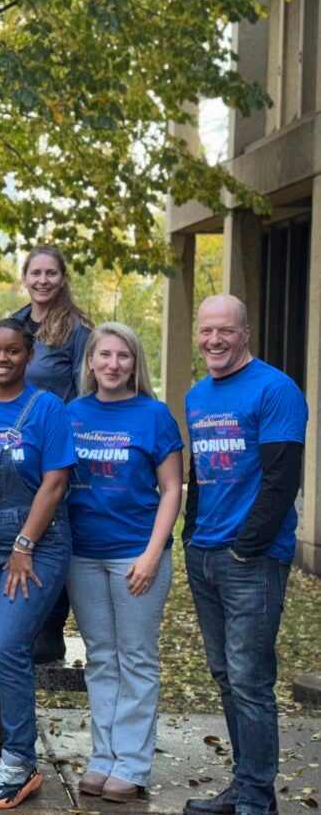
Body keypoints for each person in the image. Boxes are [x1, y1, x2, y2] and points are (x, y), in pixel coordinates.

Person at [182, 295, 308, 815]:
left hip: (251, 561)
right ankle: (243, 786)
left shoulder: (276, 389)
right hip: (205, 554)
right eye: (206, 331)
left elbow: (281, 481)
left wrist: (244, 549)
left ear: (246, 333)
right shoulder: (196, 395)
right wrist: (191, 538)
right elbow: (199, 474)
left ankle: (257, 799)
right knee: (225, 676)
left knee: (251, 681)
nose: (214, 340)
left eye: (225, 332)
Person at [65, 323, 183, 802]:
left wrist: (153, 554)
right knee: (101, 658)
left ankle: (132, 765)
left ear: (135, 363)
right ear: (90, 362)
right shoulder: (71, 413)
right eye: (104, 355)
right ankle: (102, 757)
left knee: (135, 658)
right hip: (83, 556)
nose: (113, 364)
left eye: (124, 356)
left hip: (137, 554)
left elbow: (172, 488)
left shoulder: (154, 415)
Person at [0, 318, 76, 809]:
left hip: (35, 549)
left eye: (12, 351)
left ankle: (19, 758)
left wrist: (24, 544)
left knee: (6, 644)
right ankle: (16, 755)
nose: (1, 359)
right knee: (6, 651)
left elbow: (55, 483)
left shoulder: (47, 408)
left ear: (29, 355)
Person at [13, 245, 93, 664]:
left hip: (55, 450)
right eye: (35, 273)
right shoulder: (14, 325)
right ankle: (19, 619)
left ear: (62, 278)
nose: (42, 280)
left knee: (51, 532)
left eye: (51, 273)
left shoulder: (77, 328)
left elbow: (86, 393)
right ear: (24, 278)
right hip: (13, 451)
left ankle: (50, 626)